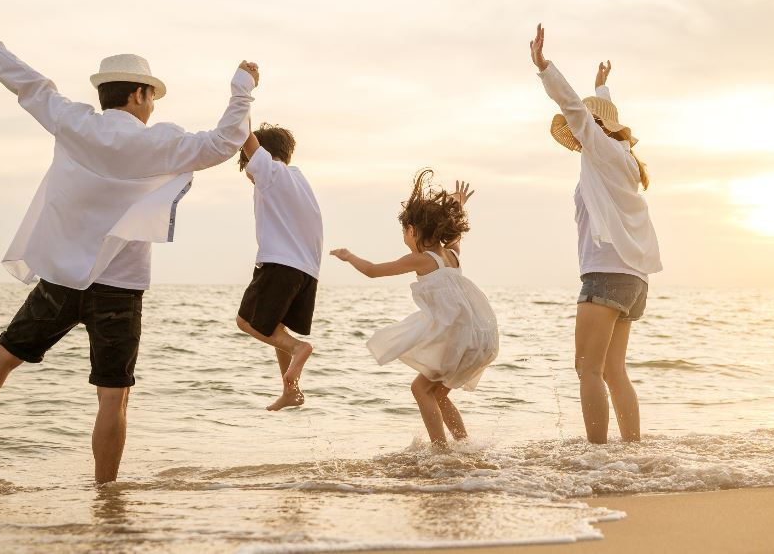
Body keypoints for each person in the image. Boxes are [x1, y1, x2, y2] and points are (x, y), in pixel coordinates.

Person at [0, 17, 259, 483]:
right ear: (138, 94)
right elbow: (224, 142)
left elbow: (28, 85)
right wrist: (242, 88)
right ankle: (106, 494)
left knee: (4, 357)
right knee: (113, 395)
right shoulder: (161, 143)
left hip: (61, 279)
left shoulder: (73, 121)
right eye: (152, 97)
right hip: (119, 288)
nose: (154, 106)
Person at [529, 23, 662, 444]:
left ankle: (597, 457)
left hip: (604, 274)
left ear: (594, 129)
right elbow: (593, 115)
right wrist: (602, 89)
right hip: (633, 281)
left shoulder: (601, 150)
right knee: (612, 370)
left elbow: (574, 108)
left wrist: (544, 67)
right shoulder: (622, 158)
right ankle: (632, 453)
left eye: (585, 128)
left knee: (587, 369)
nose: (579, 136)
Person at [330, 170, 499, 447]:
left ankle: (441, 450)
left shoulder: (421, 259)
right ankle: (464, 445)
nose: (405, 237)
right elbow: (456, 239)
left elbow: (373, 271)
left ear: (414, 231)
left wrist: (349, 257)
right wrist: (458, 207)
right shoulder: (452, 255)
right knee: (438, 394)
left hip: (458, 337)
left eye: (405, 231)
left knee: (420, 389)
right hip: (479, 337)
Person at [235, 123, 323, 411]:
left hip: (280, 264)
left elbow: (244, 132)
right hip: (307, 271)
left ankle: (299, 348)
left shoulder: (269, 173)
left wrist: (244, 87)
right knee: (277, 327)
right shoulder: (298, 179)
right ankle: (291, 391)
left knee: (246, 321)